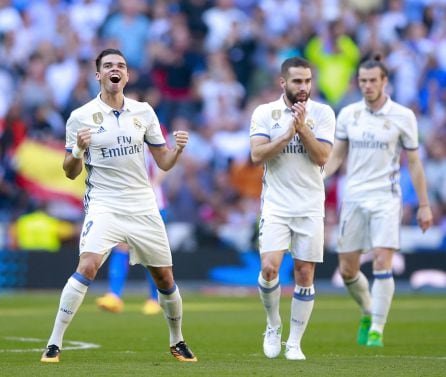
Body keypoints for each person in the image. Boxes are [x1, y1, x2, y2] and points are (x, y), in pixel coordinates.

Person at [40, 48, 197, 363]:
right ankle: (54, 343)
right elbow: (70, 171)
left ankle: (177, 341)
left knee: (164, 277)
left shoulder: (144, 112)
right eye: (108, 65)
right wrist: (78, 150)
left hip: (142, 204)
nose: (116, 69)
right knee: (87, 265)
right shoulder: (80, 117)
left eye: (121, 66)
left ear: (127, 75)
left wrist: (177, 151)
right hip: (104, 204)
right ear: (98, 74)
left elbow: (163, 162)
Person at [324, 55, 433, 347]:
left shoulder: (403, 116)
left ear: (385, 82)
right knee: (348, 269)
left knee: (383, 261)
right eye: (363, 81)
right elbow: (337, 155)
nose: (368, 86)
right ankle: (368, 310)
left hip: (386, 197)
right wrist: (318, 178)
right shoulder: (348, 114)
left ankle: (377, 330)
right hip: (354, 197)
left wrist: (424, 205)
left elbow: (415, 162)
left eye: (373, 80)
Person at [250, 56, 335, 360]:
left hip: (310, 205)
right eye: (297, 81)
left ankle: (295, 342)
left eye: (308, 81)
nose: (304, 87)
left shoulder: (323, 113)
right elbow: (257, 156)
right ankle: (273, 325)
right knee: (269, 267)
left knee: (304, 273)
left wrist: (302, 130)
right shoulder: (265, 113)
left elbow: (323, 156)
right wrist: (286, 133)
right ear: (283, 82)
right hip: (276, 203)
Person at [96, 134, 170, 316]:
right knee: (121, 244)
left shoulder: (149, 129)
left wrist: (155, 182)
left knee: (150, 251)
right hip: (127, 201)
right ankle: (114, 295)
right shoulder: (115, 134)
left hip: (152, 202)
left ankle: (155, 298)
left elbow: (166, 159)